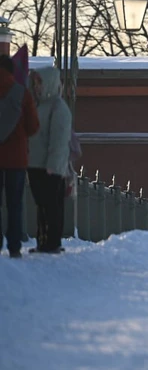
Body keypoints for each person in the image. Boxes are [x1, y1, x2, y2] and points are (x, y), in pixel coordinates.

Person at [26, 67, 72, 254]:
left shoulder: (58, 108)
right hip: (36, 164)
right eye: (35, 83)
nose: (37, 87)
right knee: (42, 205)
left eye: (40, 83)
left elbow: (59, 140)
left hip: (49, 167)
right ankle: (43, 240)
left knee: (51, 205)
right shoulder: (39, 106)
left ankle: (51, 241)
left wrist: (53, 165)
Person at [0, 54, 40, 258]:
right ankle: (14, 246)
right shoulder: (22, 94)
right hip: (16, 158)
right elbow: (33, 127)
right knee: (15, 203)